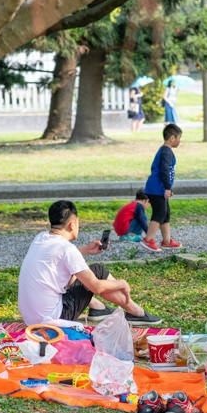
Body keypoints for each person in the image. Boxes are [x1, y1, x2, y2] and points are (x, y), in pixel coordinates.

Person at [18, 200, 162, 326]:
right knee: (97, 271)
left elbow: (57, 259)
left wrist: (85, 250)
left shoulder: (41, 238)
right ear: (72, 224)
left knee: (73, 276)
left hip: (31, 318)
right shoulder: (67, 249)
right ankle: (135, 312)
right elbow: (96, 287)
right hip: (54, 319)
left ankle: (98, 308)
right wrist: (122, 283)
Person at [141, 124, 183, 252]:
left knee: (165, 214)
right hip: (157, 189)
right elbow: (164, 171)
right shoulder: (166, 152)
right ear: (171, 138)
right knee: (159, 214)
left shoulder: (165, 151)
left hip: (159, 189)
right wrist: (167, 187)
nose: (179, 141)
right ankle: (148, 240)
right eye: (178, 138)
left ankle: (167, 240)